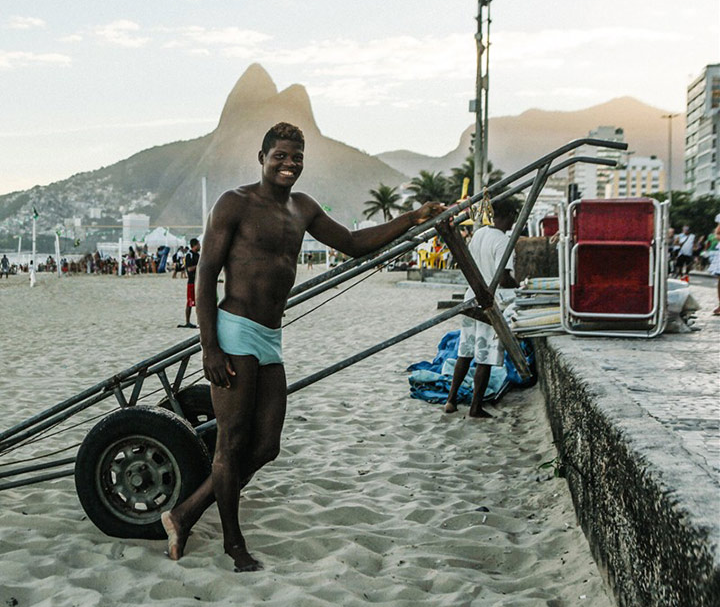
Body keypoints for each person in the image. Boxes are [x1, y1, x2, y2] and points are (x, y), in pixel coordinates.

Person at [161, 122, 444, 572]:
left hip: (270, 336)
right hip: (234, 330)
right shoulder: (234, 203)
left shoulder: (303, 209)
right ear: (262, 157)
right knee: (231, 445)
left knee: (266, 445)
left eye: (297, 158)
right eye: (281, 156)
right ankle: (234, 546)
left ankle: (184, 514)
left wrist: (411, 218)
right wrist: (208, 347)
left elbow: (352, 244)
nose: (289, 164)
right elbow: (206, 273)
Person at [443, 198, 521, 418]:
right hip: (489, 301)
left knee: (464, 351)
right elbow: (504, 279)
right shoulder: (502, 241)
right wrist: (521, 285)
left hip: (471, 296)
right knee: (483, 356)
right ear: (510, 216)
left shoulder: (478, 234)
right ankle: (476, 407)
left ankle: (451, 400)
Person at [178, 239, 200, 328]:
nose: (200, 246)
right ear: (194, 245)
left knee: (199, 302)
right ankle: (188, 321)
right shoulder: (189, 255)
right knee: (190, 302)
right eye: (198, 245)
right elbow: (189, 269)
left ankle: (199, 321)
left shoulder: (198, 255)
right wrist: (199, 265)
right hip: (191, 282)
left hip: (198, 282)